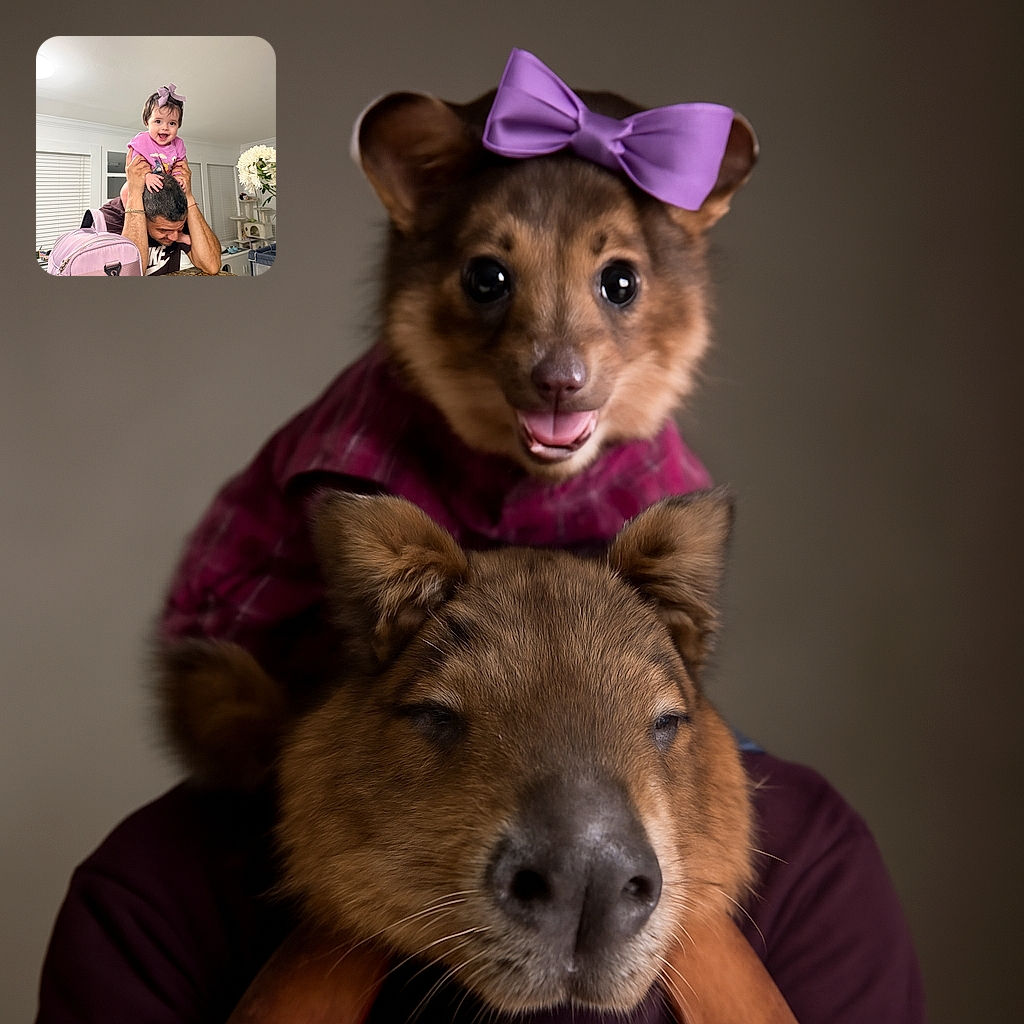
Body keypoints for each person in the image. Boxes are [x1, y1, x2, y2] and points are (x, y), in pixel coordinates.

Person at [33, 351, 928, 1023]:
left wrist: (699, 932)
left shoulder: (811, 863)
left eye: (657, 721)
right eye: (441, 716)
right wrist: (337, 945)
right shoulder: (155, 895)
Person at [102, 153, 222, 275]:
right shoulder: (107, 219)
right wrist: (135, 194)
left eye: (179, 229)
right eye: (164, 230)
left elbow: (212, 266)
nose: (175, 237)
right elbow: (129, 276)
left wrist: (189, 196)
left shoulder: (176, 217)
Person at [118, 84, 188, 205]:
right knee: (125, 191)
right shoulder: (142, 140)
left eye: (172, 123)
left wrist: (178, 177)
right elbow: (135, 164)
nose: (165, 128)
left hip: (164, 183)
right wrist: (146, 176)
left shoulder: (178, 143)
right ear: (147, 122)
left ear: (178, 125)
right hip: (143, 179)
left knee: (180, 196)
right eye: (158, 121)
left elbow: (180, 164)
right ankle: (131, 213)